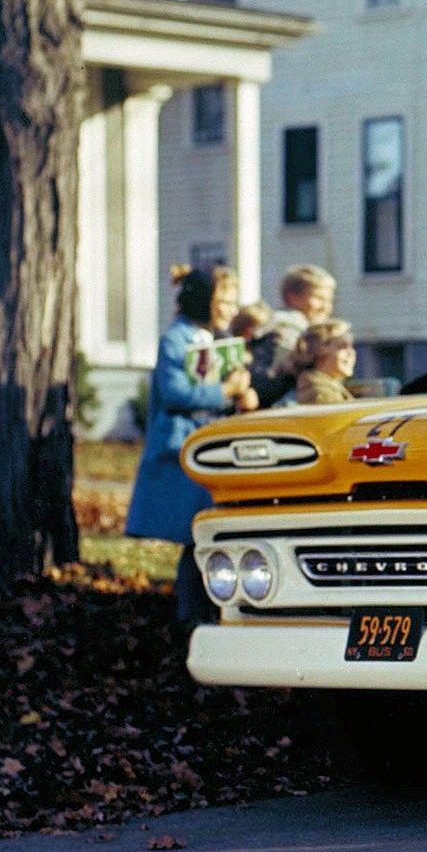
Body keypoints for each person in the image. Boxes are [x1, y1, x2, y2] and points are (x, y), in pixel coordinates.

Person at [126, 264, 258, 629]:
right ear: (204, 300)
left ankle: (203, 612)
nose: (231, 309)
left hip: (205, 445)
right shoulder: (177, 339)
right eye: (224, 300)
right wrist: (225, 391)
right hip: (182, 448)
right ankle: (191, 616)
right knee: (195, 532)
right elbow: (176, 393)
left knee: (205, 533)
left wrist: (239, 393)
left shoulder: (207, 337)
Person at [253, 264, 337, 405]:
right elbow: (270, 382)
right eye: (318, 298)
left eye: (329, 300)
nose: (326, 307)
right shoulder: (286, 332)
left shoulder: (301, 331)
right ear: (291, 298)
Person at [293, 320, 356, 404]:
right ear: (320, 350)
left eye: (351, 346)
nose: (351, 353)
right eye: (343, 345)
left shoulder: (328, 386)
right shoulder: (318, 391)